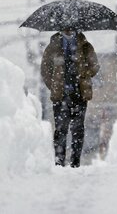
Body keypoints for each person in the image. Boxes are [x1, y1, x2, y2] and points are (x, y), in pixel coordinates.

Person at [41, 29, 99, 167]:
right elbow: (45, 70)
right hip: (60, 96)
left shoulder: (85, 46)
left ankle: (75, 162)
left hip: (79, 93)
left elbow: (95, 66)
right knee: (61, 129)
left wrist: (85, 72)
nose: (69, 28)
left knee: (78, 129)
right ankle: (59, 161)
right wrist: (55, 85)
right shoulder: (53, 47)